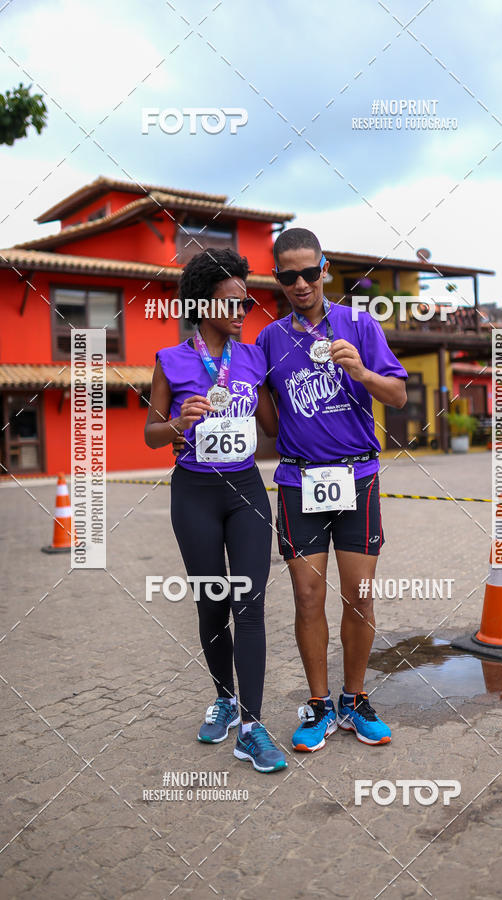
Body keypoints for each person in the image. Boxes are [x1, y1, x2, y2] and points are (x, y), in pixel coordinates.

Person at [255, 228, 408, 751]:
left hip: (357, 476)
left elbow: (399, 395)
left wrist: (361, 371)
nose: (300, 284)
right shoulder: (270, 339)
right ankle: (319, 705)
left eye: (308, 272)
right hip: (298, 480)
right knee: (306, 596)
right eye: (288, 275)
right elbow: (265, 417)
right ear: (277, 278)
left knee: (360, 596)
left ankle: (355, 699)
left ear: (324, 269)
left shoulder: (360, 324)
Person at [145, 248, 286, 773]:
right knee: (212, 604)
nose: (241, 311)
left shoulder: (252, 358)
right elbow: (151, 433)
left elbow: (271, 427)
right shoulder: (170, 360)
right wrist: (180, 422)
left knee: (250, 606)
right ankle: (225, 698)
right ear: (202, 305)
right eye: (231, 302)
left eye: (245, 303)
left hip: (246, 490)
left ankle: (251, 726)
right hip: (195, 494)